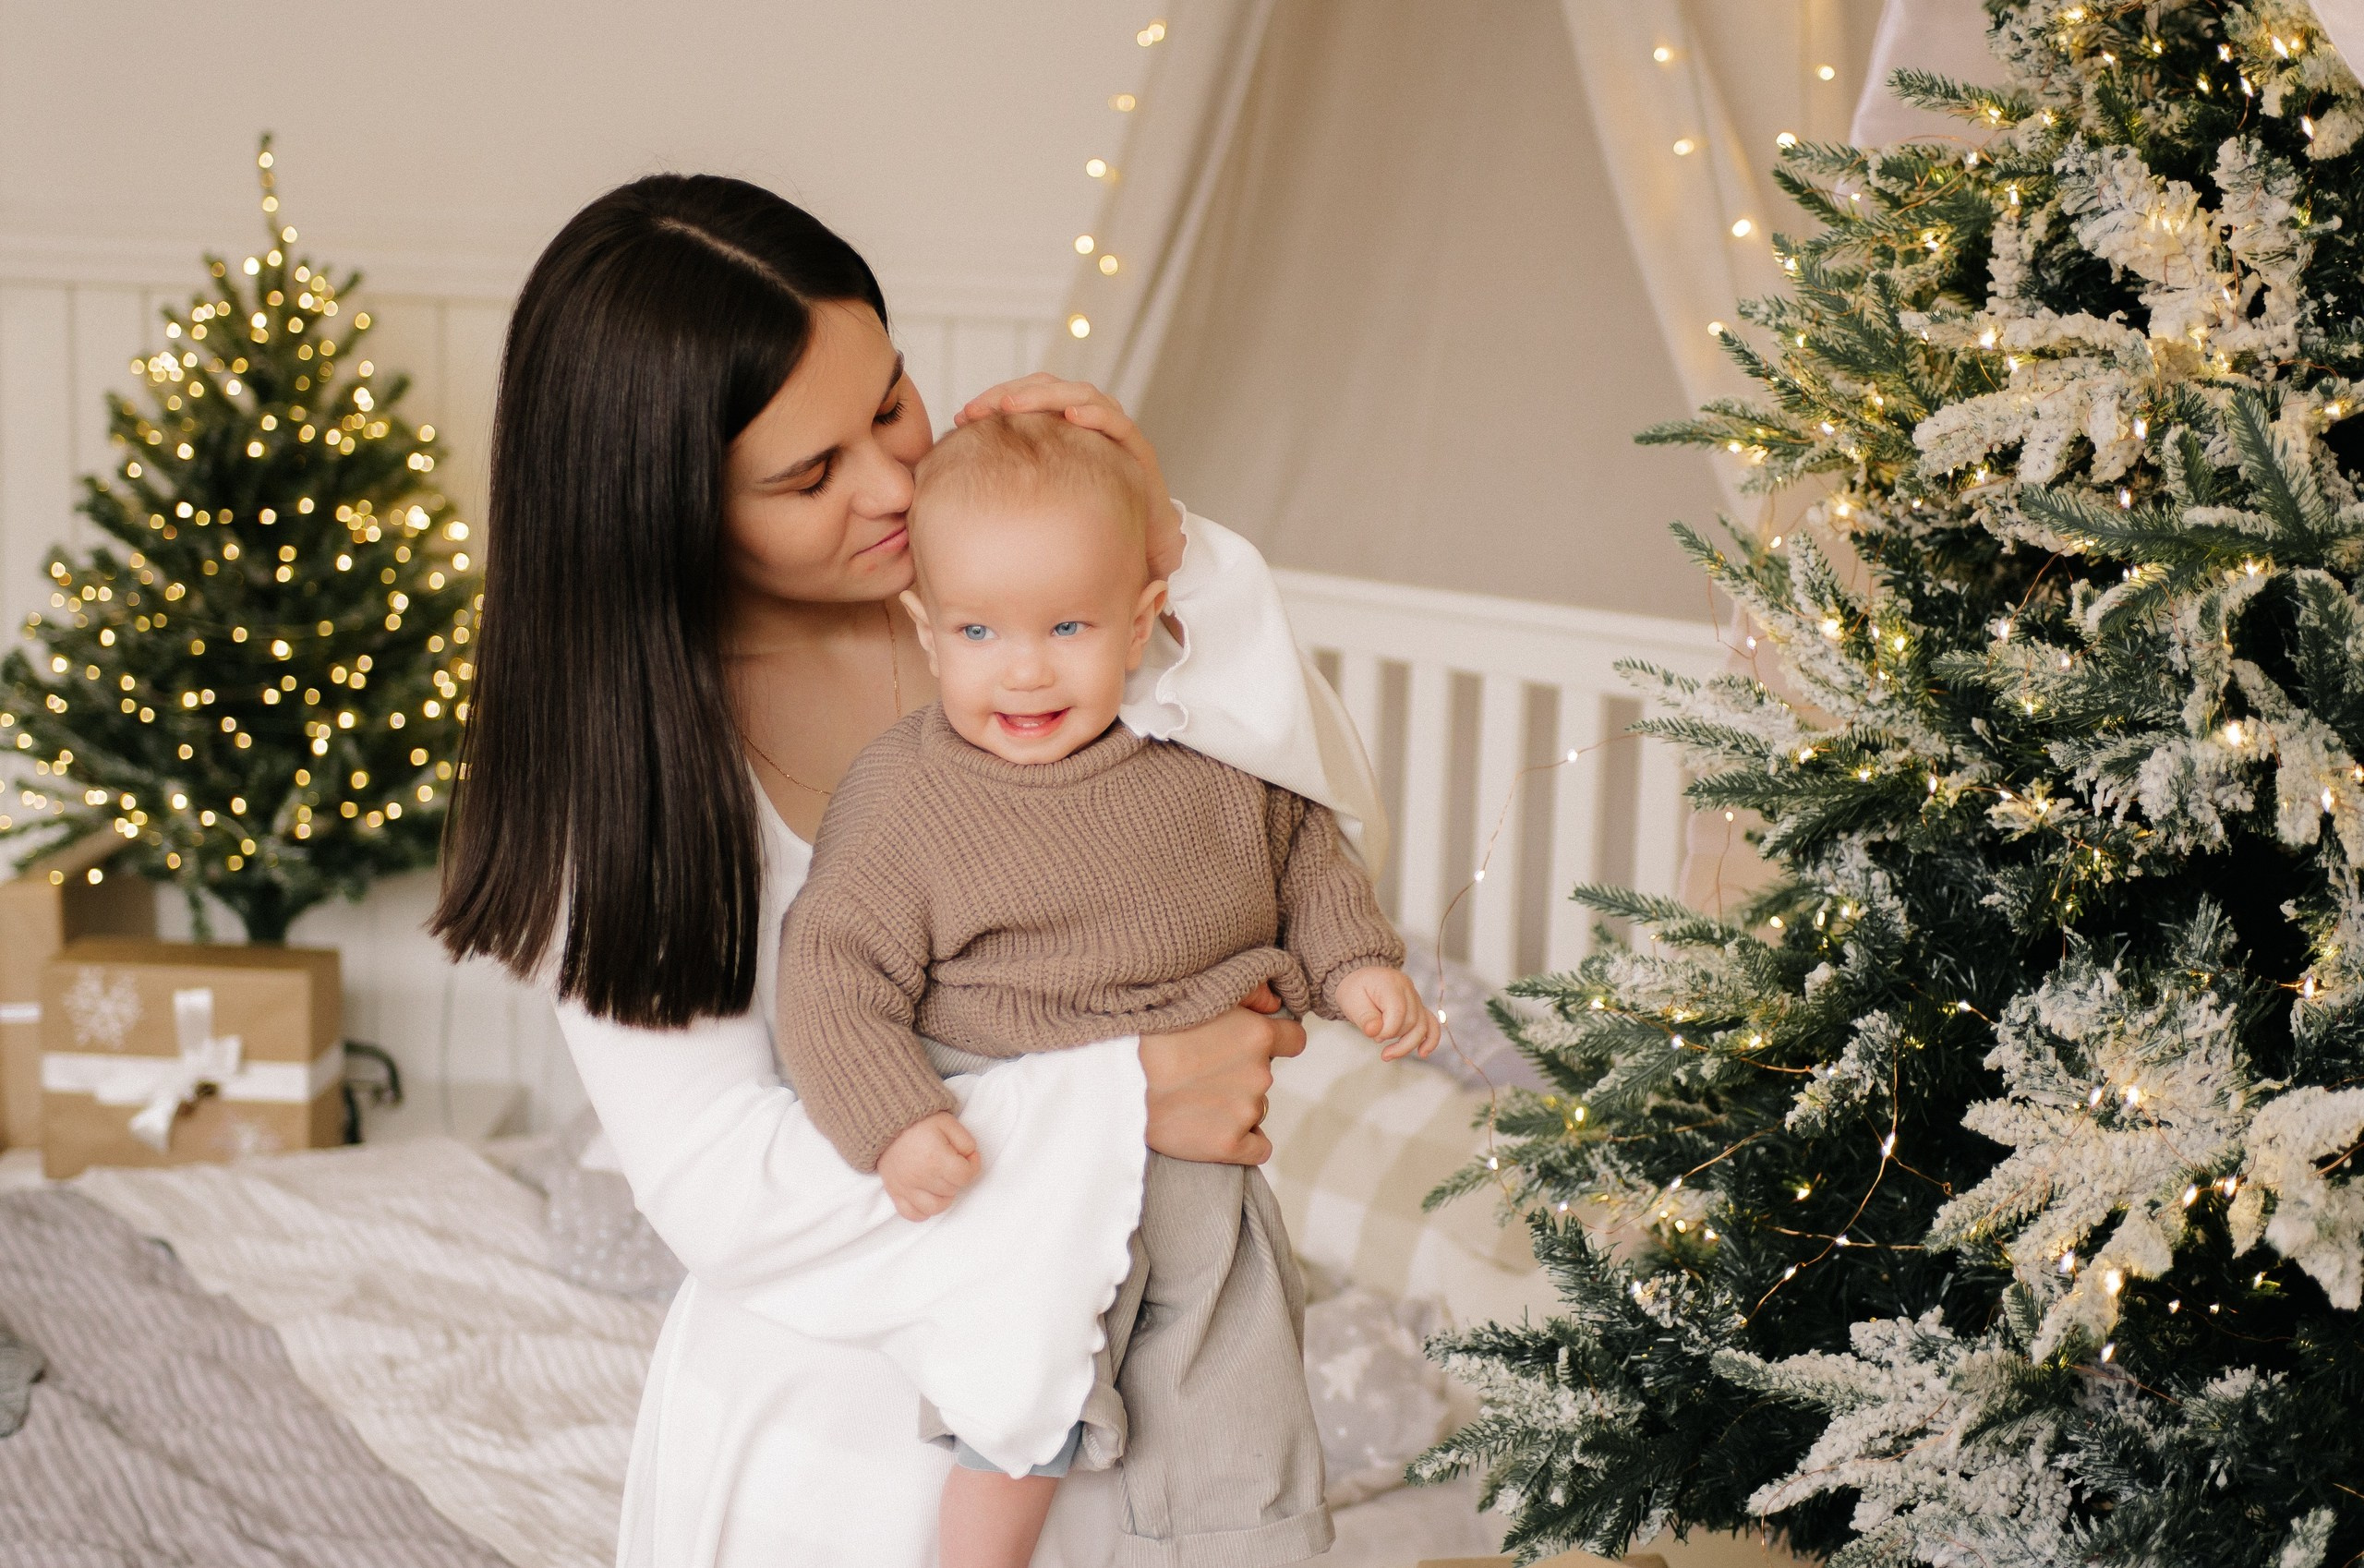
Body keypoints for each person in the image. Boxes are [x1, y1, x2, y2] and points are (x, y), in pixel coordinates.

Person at [431, 172, 1384, 1567]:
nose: (892, 483)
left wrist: (1166, 554)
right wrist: (1128, 1096)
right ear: (662, 505)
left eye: (890, 402)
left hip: (1159, 1388)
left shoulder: (1041, 611)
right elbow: (719, 1178)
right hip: (844, 1447)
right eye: (809, 475)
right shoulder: (632, 770)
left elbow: (1318, 829)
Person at [778, 412, 1438, 1568]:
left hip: (1198, 1177)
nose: (1024, 667)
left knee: (1236, 1384)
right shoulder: (904, 797)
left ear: (1139, 623)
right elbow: (832, 974)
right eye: (980, 630)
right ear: (928, 630)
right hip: (1018, 1158)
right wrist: (895, 1120)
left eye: (1068, 626)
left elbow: (1301, 853)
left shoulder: (1204, 758)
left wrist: (1356, 962)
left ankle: (1246, 1544)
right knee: (1012, 1396)